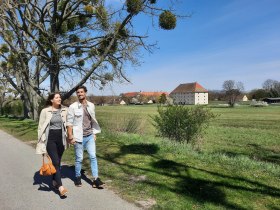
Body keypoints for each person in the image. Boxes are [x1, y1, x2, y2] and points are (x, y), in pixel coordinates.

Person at [66, 85, 104, 188]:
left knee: (93, 156)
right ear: (76, 94)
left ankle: (96, 179)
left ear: (85, 93)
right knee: (79, 159)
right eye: (78, 92)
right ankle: (78, 177)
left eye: (81, 92)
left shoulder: (91, 105)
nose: (80, 94)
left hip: (90, 136)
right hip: (78, 137)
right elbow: (69, 123)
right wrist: (70, 136)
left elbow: (92, 120)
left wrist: (94, 133)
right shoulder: (73, 107)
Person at [37, 93, 68, 197]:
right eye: (57, 97)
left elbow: (69, 123)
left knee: (58, 162)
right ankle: (60, 187)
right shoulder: (45, 111)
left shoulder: (65, 110)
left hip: (61, 139)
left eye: (60, 97)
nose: (59, 99)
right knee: (55, 161)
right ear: (51, 100)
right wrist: (41, 140)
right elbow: (40, 127)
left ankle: (54, 181)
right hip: (50, 139)